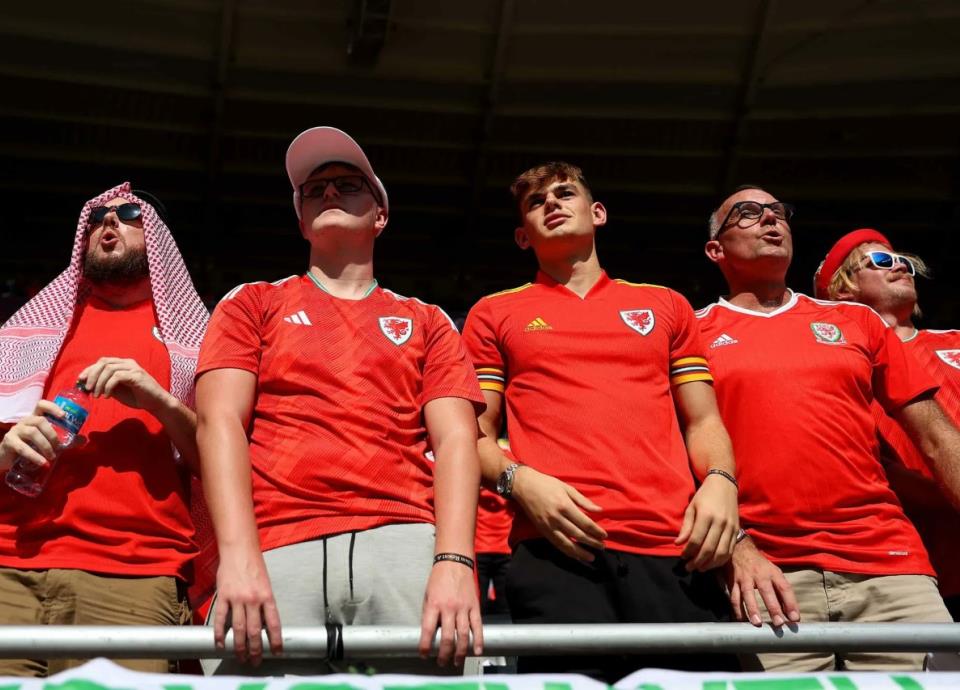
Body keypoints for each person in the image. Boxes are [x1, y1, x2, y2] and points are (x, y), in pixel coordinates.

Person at [195, 127, 485, 674]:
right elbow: (218, 422)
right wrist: (236, 555)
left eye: (348, 185)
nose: (328, 192)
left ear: (380, 215)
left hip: (406, 545)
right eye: (314, 189)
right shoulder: (251, 303)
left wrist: (455, 562)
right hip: (274, 547)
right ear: (301, 221)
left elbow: (456, 443)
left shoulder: (429, 320)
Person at [461, 161, 741, 683]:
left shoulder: (665, 304)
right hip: (557, 550)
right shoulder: (492, 313)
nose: (551, 203)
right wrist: (518, 480)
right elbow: (469, 436)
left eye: (564, 193)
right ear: (523, 236)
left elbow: (703, 421)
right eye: (536, 202)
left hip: (676, 549)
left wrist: (722, 482)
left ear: (598, 213)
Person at [698, 186, 960, 672]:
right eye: (748, 213)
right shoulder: (692, 331)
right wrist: (736, 549)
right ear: (716, 249)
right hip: (766, 577)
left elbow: (937, 436)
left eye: (778, 212)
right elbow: (673, 456)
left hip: (890, 565)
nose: (771, 220)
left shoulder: (856, 320)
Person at [0, 183, 209, 676]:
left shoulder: (199, 338)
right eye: (95, 217)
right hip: (9, 568)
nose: (107, 221)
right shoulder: (28, 330)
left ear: (160, 239)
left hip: (131, 574)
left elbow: (224, 463)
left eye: (129, 213)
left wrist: (159, 400)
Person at [815, 228, 960, 620]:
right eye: (880, 261)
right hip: (913, 570)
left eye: (903, 261)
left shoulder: (955, 341)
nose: (899, 266)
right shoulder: (842, 369)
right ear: (842, 289)